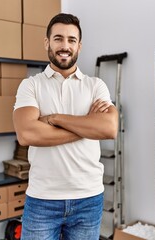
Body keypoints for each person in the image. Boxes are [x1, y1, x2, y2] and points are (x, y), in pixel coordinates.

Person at [13, 13, 119, 240]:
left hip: (88, 198)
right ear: (47, 43)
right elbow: (26, 133)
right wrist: (86, 126)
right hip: (43, 199)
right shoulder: (30, 85)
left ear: (79, 46)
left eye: (71, 40)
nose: (65, 46)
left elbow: (109, 128)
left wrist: (54, 119)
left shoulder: (95, 86)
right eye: (58, 38)